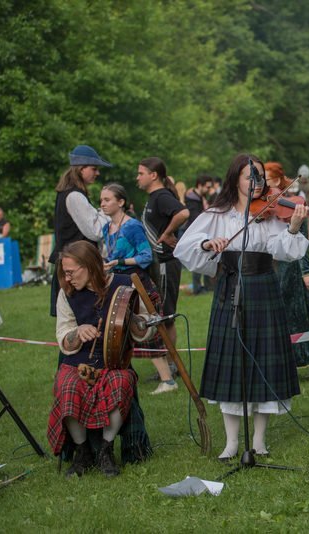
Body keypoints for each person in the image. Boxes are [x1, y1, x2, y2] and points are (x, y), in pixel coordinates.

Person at [173, 154, 309, 460]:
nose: (256, 183)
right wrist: (208, 244)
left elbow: (286, 252)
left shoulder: (273, 215)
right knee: (232, 360)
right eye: (250, 177)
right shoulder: (216, 214)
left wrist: (294, 227)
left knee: (264, 360)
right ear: (235, 178)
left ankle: (259, 439)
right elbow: (185, 247)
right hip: (230, 287)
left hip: (263, 285)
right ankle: (232, 441)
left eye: (259, 177)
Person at [48, 241, 155, 477]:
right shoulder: (67, 295)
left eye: (70, 272)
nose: (66, 279)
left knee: (121, 383)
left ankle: (105, 450)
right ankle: (82, 450)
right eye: (63, 273)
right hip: (79, 362)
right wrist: (77, 332)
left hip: (114, 362)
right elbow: (63, 336)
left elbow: (146, 328)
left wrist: (138, 324)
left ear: (89, 266)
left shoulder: (125, 285)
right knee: (67, 387)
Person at [100, 183, 177, 395]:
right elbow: (111, 255)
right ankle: (121, 379)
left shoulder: (132, 226)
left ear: (121, 202)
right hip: (119, 284)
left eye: (107, 200)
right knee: (118, 332)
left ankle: (168, 381)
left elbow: (145, 256)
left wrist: (118, 262)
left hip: (139, 284)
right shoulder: (106, 228)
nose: (103, 204)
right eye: (101, 200)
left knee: (146, 330)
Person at [265, 162, 309, 378]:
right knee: (299, 312)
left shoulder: (295, 204)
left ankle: (303, 359)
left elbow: (302, 241)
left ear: (276, 181)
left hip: (290, 267)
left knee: (294, 314)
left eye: (265, 179)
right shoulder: (265, 204)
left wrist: (307, 271)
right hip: (270, 265)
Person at [48, 145, 112, 316]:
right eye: (94, 168)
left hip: (74, 264)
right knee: (78, 320)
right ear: (81, 168)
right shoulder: (74, 196)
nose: (97, 173)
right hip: (75, 267)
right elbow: (96, 231)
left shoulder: (70, 193)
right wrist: (109, 214)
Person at [137, 157, 189, 351]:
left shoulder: (161, 196)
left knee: (166, 317)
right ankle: (166, 365)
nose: (137, 178)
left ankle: (171, 365)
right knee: (159, 315)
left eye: (141, 173)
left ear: (153, 175)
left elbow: (183, 213)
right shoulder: (154, 197)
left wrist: (167, 233)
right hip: (158, 264)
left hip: (167, 263)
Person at [183, 175, 214, 294]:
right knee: (197, 259)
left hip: (201, 232)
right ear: (199, 185)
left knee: (204, 259)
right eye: (207, 186)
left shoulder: (199, 197)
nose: (209, 189)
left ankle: (204, 286)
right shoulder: (192, 199)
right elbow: (195, 218)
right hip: (194, 233)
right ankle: (197, 288)